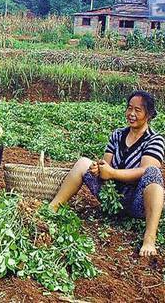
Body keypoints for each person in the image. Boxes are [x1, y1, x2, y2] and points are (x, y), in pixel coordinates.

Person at [50, 90, 164, 257]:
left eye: (138, 110)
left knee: (153, 173)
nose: (131, 114)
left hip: (136, 203)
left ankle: (149, 238)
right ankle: (53, 207)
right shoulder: (118, 134)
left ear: (148, 115)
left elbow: (144, 170)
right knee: (83, 163)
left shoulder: (155, 140)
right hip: (111, 198)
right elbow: (106, 165)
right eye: (129, 108)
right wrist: (99, 169)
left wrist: (112, 173)